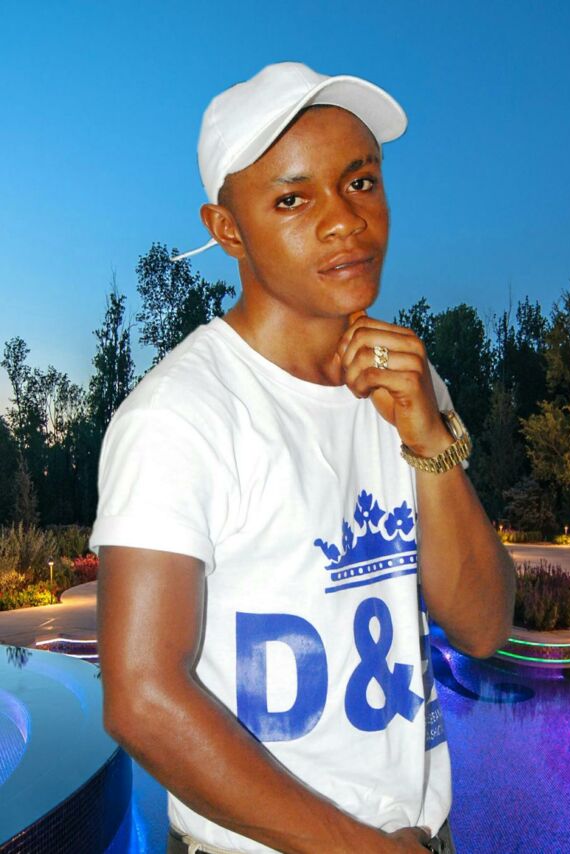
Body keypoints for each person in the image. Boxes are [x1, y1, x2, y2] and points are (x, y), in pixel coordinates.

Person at [90, 62, 515, 854]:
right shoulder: (180, 415)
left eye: (360, 182)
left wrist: (429, 439)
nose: (345, 221)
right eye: (293, 199)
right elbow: (142, 699)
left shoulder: (413, 383)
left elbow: (485, 627)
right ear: (228, 230)